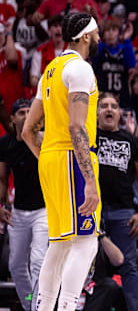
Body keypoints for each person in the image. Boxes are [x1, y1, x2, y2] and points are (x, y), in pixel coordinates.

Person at [21, 12, 101, 311]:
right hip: (72, 158)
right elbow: (77, 127)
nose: (99, 39)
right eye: (96, 34)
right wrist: (89, 180)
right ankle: (67, 306)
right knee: (86, 241)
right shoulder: (80, 69)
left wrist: (48, 161)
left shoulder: (50, 70)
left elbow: (27, 131)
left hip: (52, 159)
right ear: (84, 37)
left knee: (60, 244)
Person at [96, 93, 138, 311]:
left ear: (120, 113)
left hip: (123, 212)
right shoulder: (88, 136)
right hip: (92, 211)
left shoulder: (132, 141)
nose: (109, 110)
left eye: (114, 106)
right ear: (97, 111)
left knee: (128, 266)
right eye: (104, 106)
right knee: (91, 266)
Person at [0, 98, 47, 311]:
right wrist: (1, 205)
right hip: (18, 211)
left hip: (43, 211)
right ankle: (30, 306)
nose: (27, 115)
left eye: (31, 111)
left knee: (37, 262)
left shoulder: (45, 140)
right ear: (12, 118)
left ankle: (39, 308)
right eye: (21, 112)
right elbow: (2, 179)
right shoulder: (6, 144)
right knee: (16, 266)